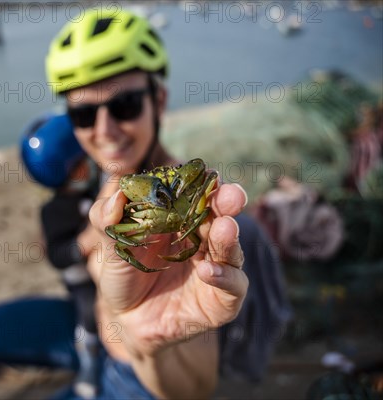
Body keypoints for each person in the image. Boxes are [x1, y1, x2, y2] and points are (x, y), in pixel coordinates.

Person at [44, 8, 291, 398]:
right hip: (91, 355)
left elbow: (193, 388)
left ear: (159, 101)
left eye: (125, 105)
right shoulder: (83, 186)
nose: (105, 130)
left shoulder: (198, 225)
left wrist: (146, 341)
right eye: (84, 113)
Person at [21, 113, 102, 398]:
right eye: (85, 159)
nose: (94, 159)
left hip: (105, 273)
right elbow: (56, 255)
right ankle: (89, 365)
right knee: (89, 316)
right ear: (71, 169)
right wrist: (84, 243)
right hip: (82, 281)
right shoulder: (52, 212)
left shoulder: (95, 187)